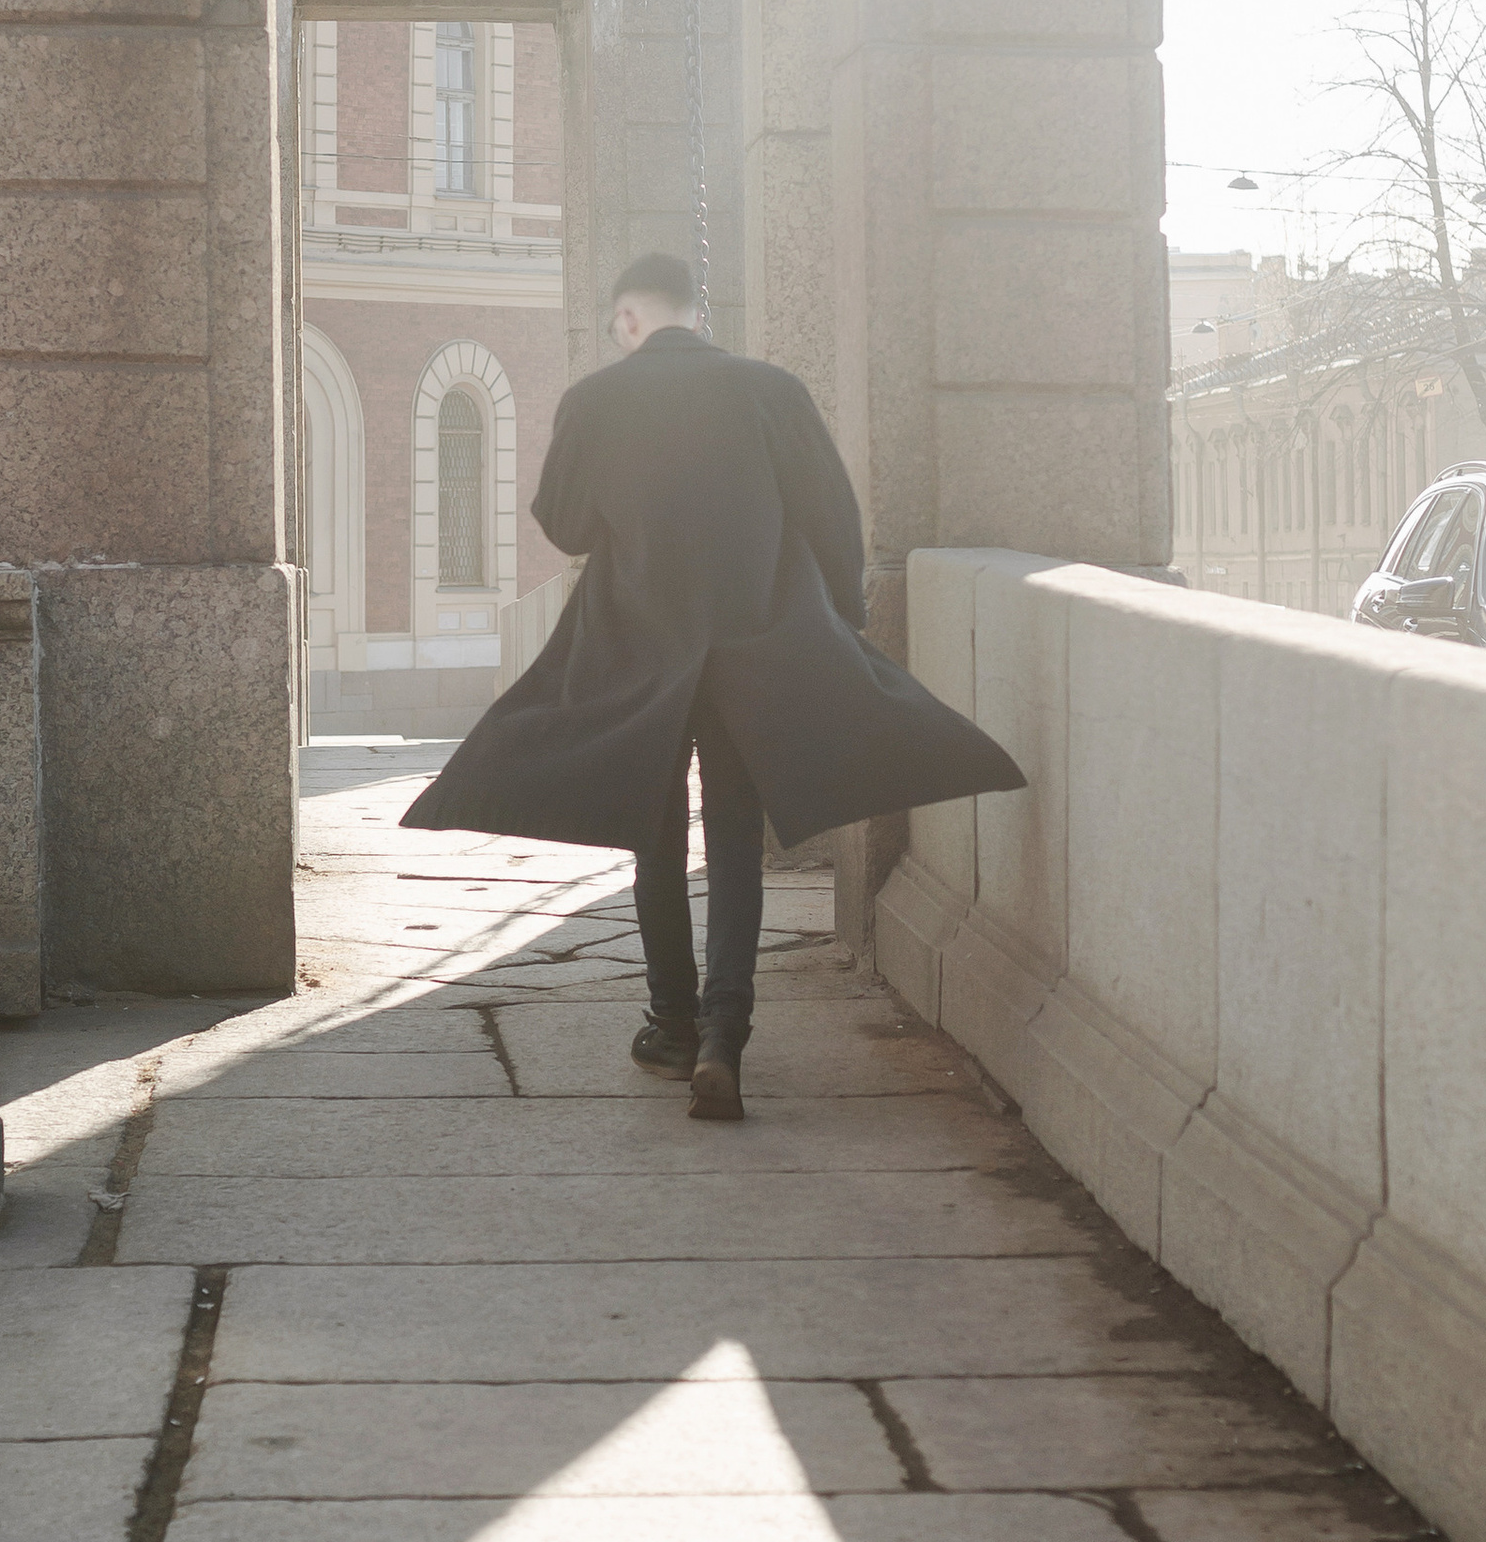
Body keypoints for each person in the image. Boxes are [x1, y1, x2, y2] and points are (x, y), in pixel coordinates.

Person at [403, 252, 1025, 1122]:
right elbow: (832, 518)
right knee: (735, 834)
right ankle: (727, 1034)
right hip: (756, 647)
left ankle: (672, 1023)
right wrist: (840, 623)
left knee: (653, 835)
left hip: (639, 648)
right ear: (698, 314)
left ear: (628, 319)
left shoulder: (596, 400)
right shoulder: (772, 391)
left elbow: (566, 522)